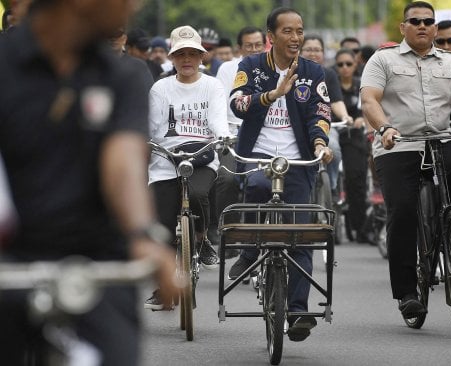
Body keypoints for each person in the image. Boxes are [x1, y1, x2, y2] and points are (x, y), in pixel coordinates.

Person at [0, 0, 177, 364]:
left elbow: (123, 160)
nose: (135, 5)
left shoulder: (122, 74)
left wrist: (143, 234)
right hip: (8, 263)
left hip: (97, 265)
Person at [360, 1, 451, 320]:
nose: (422, 26)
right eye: (415, 21)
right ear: (403, 27)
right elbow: (369, 100)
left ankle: (449, 228)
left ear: (436, 28)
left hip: (439, 140)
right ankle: (407, 293)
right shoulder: (382, 59)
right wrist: (384, 127)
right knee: (401, 211)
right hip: (398, 144)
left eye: (428, 21)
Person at [227, 7, 333, 342]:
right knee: (256, 186)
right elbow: (237, 104)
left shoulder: (314, 72)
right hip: (257, 155)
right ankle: (248, 252)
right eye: (288, 31)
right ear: (271, 37)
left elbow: (321, 112)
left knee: (300, 231)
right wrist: (271, 95)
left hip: (298, 161)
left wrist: (320, 145)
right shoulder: (251, 66)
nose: (296, 38)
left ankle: (298, 311)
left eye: (300, 31)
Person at [145, 25, 230, 309]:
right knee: (162, 227)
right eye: (181, 54)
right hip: (165, 159)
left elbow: (218, 120)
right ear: (172, 58)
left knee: (197, 195)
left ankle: (203, 238)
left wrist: (222, 137)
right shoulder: (160, 88)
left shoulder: (212, 86)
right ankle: (163, 288)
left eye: (192, 53)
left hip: (202, 156)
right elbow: (153, 128)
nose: (187, 59)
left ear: (202, 57)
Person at [208, 25, 266, 257]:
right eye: (248, 46)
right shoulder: (227, 69)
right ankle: (228, 232)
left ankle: (265, 234)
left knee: (264, 182)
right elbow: (221, 106)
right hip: (232, 135)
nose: (253, 50)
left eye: (258, 45)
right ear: (238, 48)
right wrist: (222, 135)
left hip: (262, 137)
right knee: (228, 179)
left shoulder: (272, 67)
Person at [301, 35, 352, 204]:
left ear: (323, 53)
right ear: (300, 51)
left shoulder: (328, 74)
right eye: (308, 49)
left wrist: (344, 116)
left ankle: (331, 185)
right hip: (298, 127)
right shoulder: (293, 71)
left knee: (334, 149)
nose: (313, 53)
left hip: (324, 125)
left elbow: (336, 101)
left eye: (317, 50)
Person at [334, 48, 369, 242]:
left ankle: (361, 227)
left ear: (355, 65)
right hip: (332, 132)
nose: (345, 68)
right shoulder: (332, 85)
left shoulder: (361, 85)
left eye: (349, 63)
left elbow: (369, 107)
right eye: (340, 64)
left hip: (354, 137)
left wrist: (361, 120)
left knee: (357, 179)